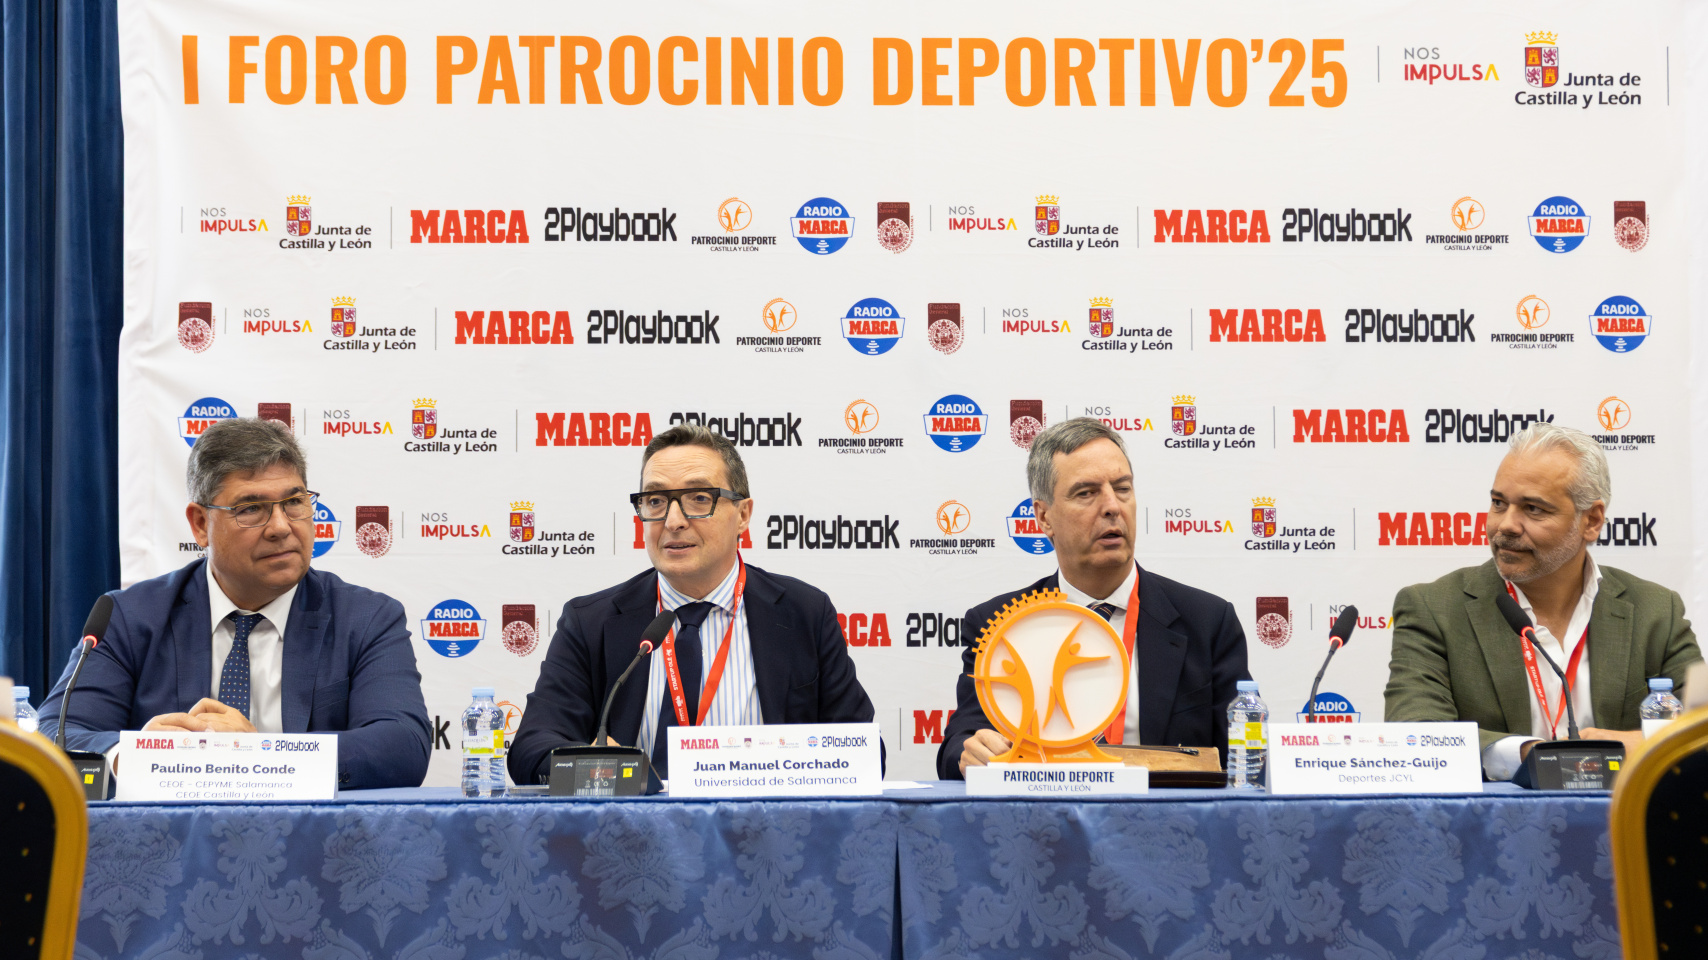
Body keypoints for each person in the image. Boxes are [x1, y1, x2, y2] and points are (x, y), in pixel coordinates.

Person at [37, 418, 431, 789]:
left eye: (294, 501)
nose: (281, 527)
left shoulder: (366, 618)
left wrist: (258, 755)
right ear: (200, 525)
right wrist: (137, 756)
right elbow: (55, 733)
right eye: (251, 509)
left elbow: (403, 746)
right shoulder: (130, 617)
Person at [509, 424, 878, 784]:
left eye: (699, 499)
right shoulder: (591, 622)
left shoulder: (803, 613)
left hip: (763, 821)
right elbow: (531, 748)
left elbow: (865, 752)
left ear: (743, 515)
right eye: (655, 501)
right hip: (634, 823)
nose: (673, 521)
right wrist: (596, 768)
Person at [937, 418, 1251, 779]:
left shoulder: (1207, 622)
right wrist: (970, 752)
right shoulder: (1000, 624)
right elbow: (959, 744)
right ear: (1044, 517)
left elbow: (1245, 762)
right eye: (1086, 493)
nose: (1112, 506)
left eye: (1122, 488)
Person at [1384, 422, 1701, 780]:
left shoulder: (1655, 610)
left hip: (1621, 814)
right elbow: (1415, 734)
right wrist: (1533, 756)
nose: (1506, 525)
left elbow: (1702, 724)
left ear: (1591, 520)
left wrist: (1642, 743)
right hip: (1493, 815)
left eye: (1533, 509)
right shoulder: (1433, 608)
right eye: (1498, 503)